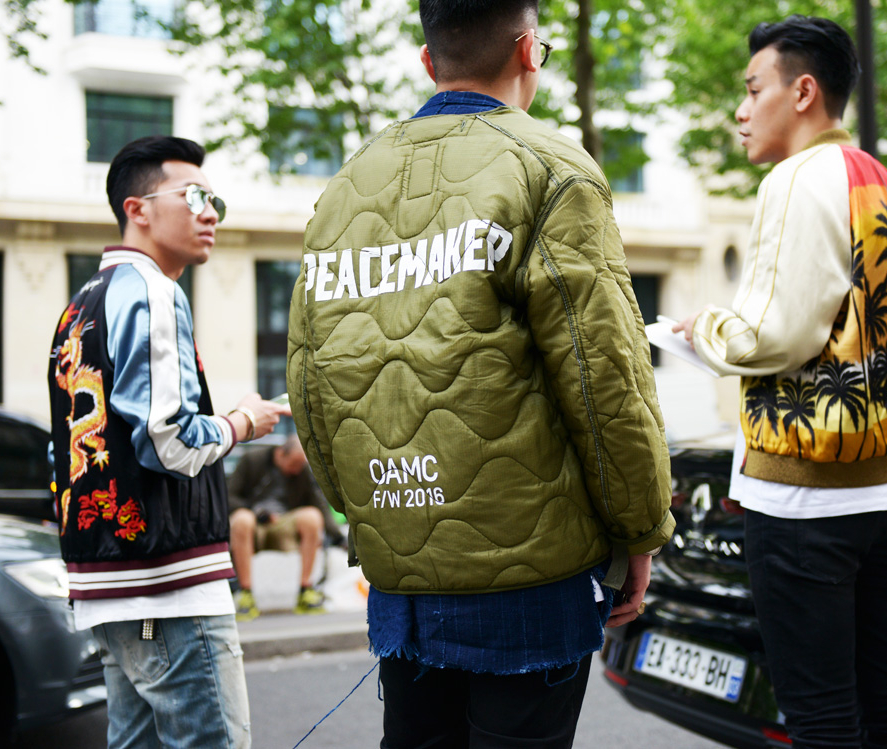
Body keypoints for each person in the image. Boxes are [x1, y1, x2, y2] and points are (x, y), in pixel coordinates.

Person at [286, 1, 674, 746]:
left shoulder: (346, 186)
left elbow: (308, 379)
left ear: (428, 61)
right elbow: (604, 378)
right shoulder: (552, 168)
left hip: (402, 573)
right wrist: (641, 528)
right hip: (533, 580)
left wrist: (367, 518)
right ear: (529, 51)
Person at [674, 16, 887, 748]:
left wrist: (703, 330)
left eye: (753, 89)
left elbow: (775, 336)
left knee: (821, 719)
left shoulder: (795, 179)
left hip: (807, 496)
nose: (741, 110)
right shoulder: (885, 184)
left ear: (803, 92)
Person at [48, 135, 289, 749]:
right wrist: (244, 420)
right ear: (138, 209)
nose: (210, 214)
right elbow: (171, 441)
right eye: (195, 197)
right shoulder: (154, 292)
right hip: (168, 584)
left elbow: (61, 452)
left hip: (106, 585)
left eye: (215, 202)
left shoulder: (80, 306)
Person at [228, 434, 345, 619]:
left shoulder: (302, 470)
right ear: (281, 453)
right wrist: (256, 512)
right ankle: (246, 594)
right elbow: (229, 496)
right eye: (294, 464)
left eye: (301, 465)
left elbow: (318, 503)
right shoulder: (252, 460)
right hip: (254, 523)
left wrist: (338, 537)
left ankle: (305, 591)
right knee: (242, 519)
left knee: (312, 517)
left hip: (284, 524)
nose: (297, 470)